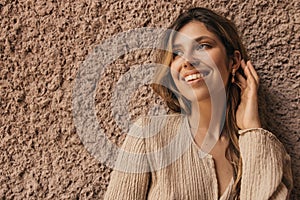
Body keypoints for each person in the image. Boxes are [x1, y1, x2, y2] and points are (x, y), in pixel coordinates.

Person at [104, 7, 293, 199]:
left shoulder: (267, 151)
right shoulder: (148, 135)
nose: (186, 61)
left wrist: (253, 131)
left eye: (202, 46)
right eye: (177, 53)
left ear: (234, 61)